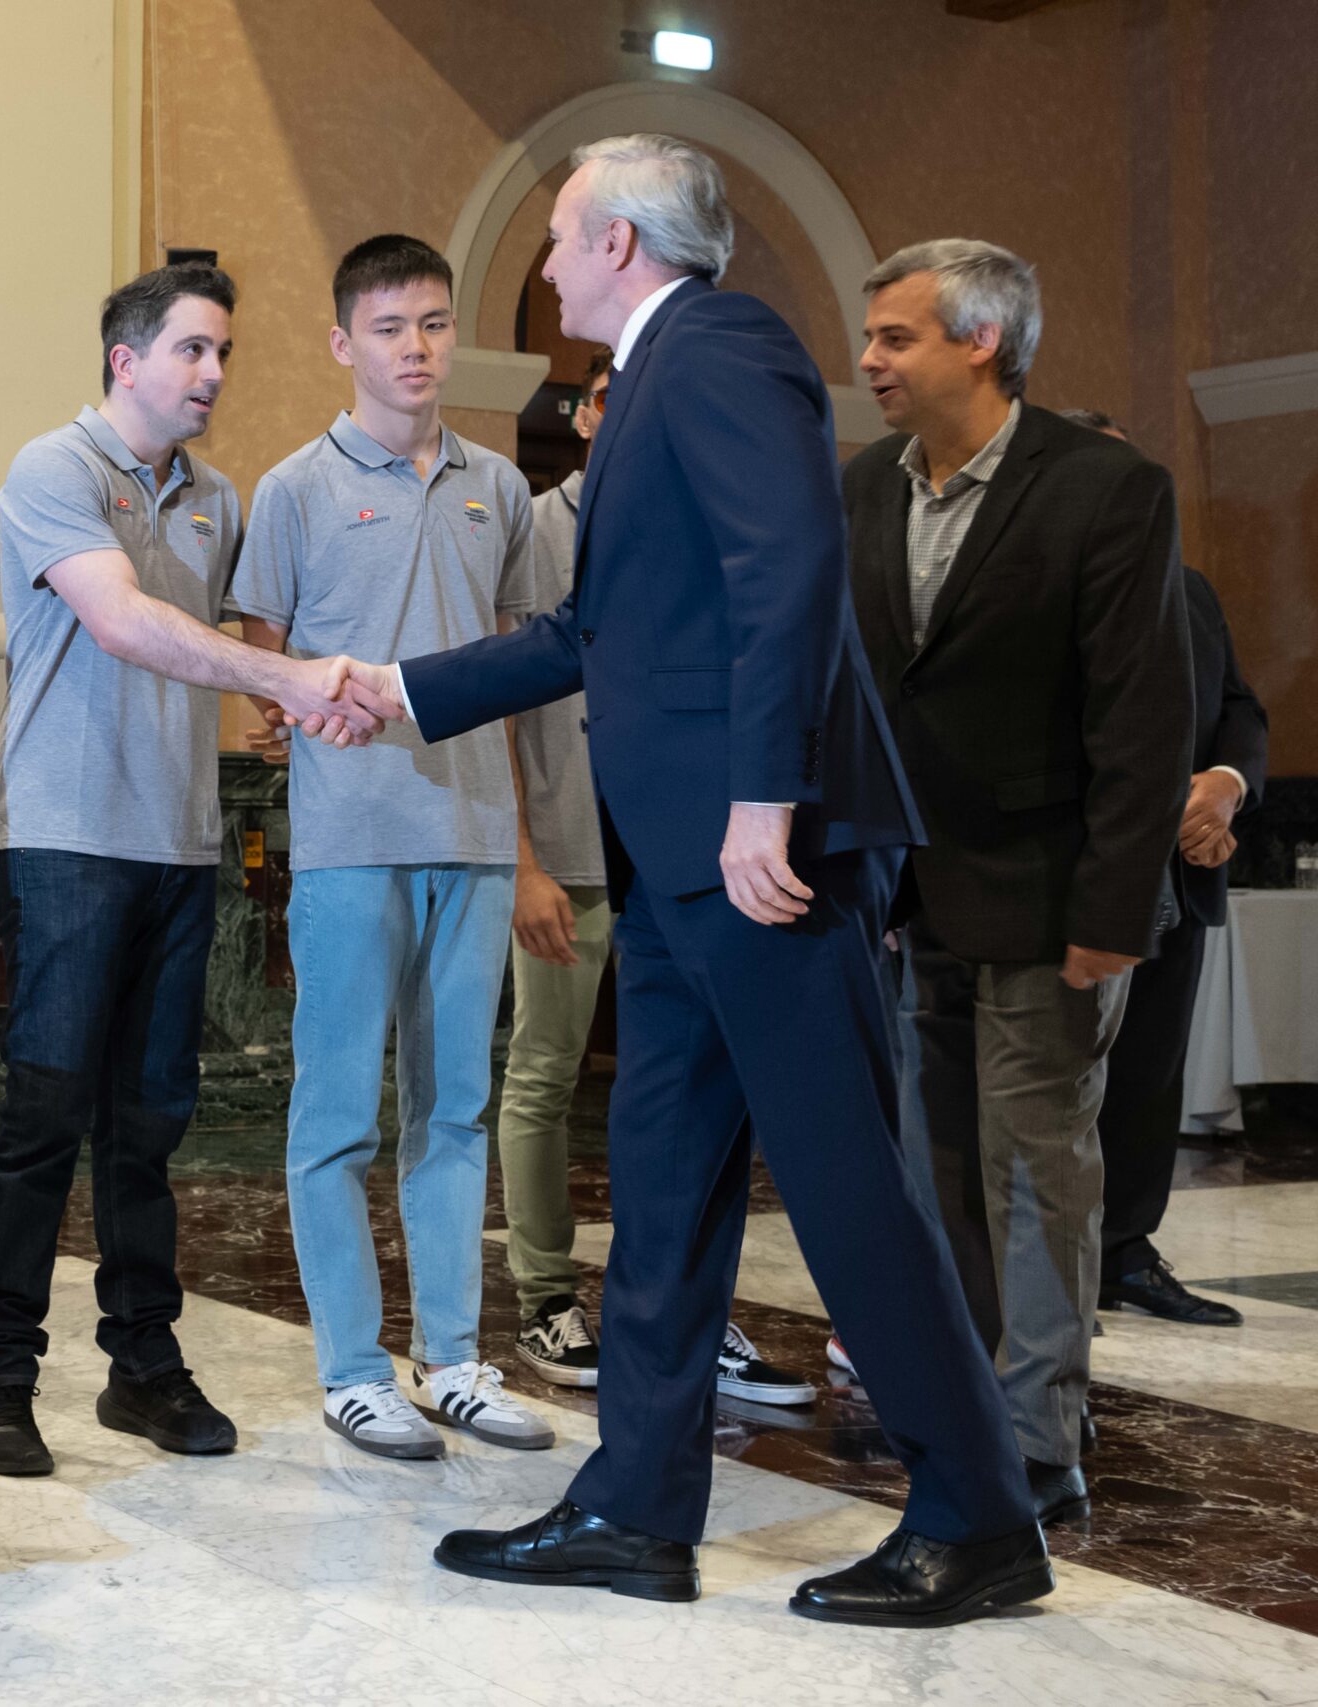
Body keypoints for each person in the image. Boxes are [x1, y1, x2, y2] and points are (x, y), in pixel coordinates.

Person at [369, 135, 1048, 1626]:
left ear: (619, 242)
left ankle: (980, 1512)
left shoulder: (724, 344)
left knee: (850, 1178)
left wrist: (765, 796)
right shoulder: (659, 380)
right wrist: (392, 685)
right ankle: (636, 1502)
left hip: (758, 847)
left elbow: (788, 564)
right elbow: (595, 629)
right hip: (682, 858)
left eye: (557, 236)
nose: (543, 264)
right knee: (667, 1183)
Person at [0, 262, 404, 1478]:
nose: (212, 376)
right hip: (66, 840)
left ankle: (142, 1371)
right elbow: (119, 622)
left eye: (222, 356)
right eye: (193, 352)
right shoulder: (55, 470)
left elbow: (222, 645)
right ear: (126, 361)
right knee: (44, 1121)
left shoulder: (216, 497)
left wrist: (289, 691)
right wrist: (285, 680)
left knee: (150, 1128)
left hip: (179, 841)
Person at [845, 245, 1194, 1527]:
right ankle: (961, 1408)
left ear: (980, 339)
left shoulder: (1105, 486)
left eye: (894, 338)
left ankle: (1040, 1436)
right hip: (907, 901)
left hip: (1054, 907)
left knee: (1034, 1170)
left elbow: (1142, 720)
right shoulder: (860, 490)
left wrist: (1114, 914)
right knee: (937, 1174)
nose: (869, 361)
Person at [232, 234, 553, 1458]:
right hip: (348, 846)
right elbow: (262, 661)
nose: (414, 350)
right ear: (341, 344)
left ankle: (456, 1359)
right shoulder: (293, 490)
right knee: (335, 1118)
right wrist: (296, 720)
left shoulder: (499, 489)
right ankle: (353, 1370)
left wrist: (522, 851)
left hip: (471, 840)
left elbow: (518, 678)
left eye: (430, 325)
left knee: (455, 1109)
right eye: (388, 329)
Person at [496, 351, 817, 1410]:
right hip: (574, 852)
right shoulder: (534, 524)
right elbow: (511, 694)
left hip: (682, 853)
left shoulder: (701, 524)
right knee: (546, 1075)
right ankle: (545, 1294)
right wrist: (525, 861)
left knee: (692, 1101)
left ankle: (686, 1312)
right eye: (611, 403)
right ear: (588, 418)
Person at [1055, 411, 1267, 1330]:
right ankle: (1049, 1268)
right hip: (1076, 875)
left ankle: (1124, 1251)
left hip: (1180, 881)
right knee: (1058, 1082)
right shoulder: (1038, 589)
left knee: (1148, 1077)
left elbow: (1240, 710)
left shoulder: (1191, 591)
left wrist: (1221, 790)